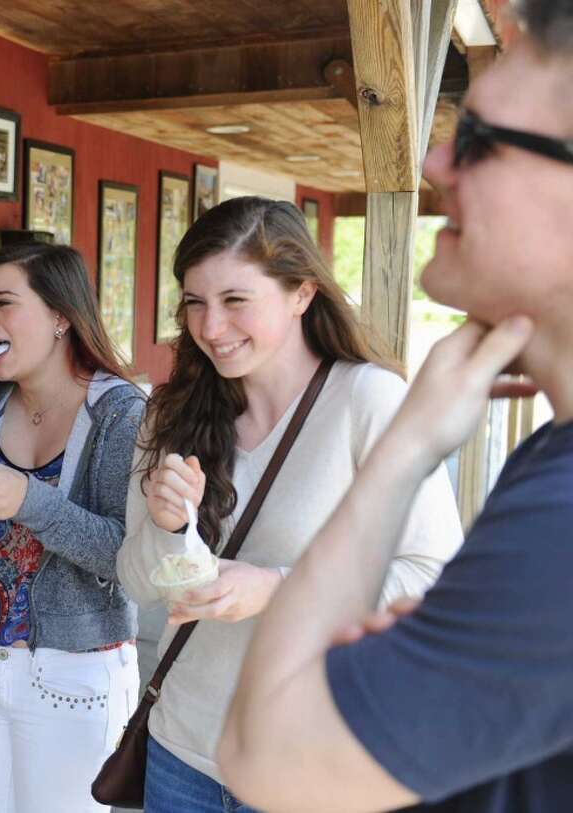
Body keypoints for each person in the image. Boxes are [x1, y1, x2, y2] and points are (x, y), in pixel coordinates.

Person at [218, 2, 573, 811]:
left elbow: (263, 750)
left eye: (481, 141)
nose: (439, 163)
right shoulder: (550, 457)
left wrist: (407, 445)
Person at [116, 197, 463, 813]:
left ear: (301, 294)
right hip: (182, 751)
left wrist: (276, 588)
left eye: (235, 301)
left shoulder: (369, 402)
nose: (210, 327)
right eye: (195, 302)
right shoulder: (169, 413)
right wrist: (170, 530)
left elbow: (434, 583)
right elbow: (138, 584)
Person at [0, 242, 145, 813]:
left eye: (6, 304)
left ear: (61, 316)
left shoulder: (122, 414)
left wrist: (28, 500)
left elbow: (129, 558)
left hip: (76, 676)